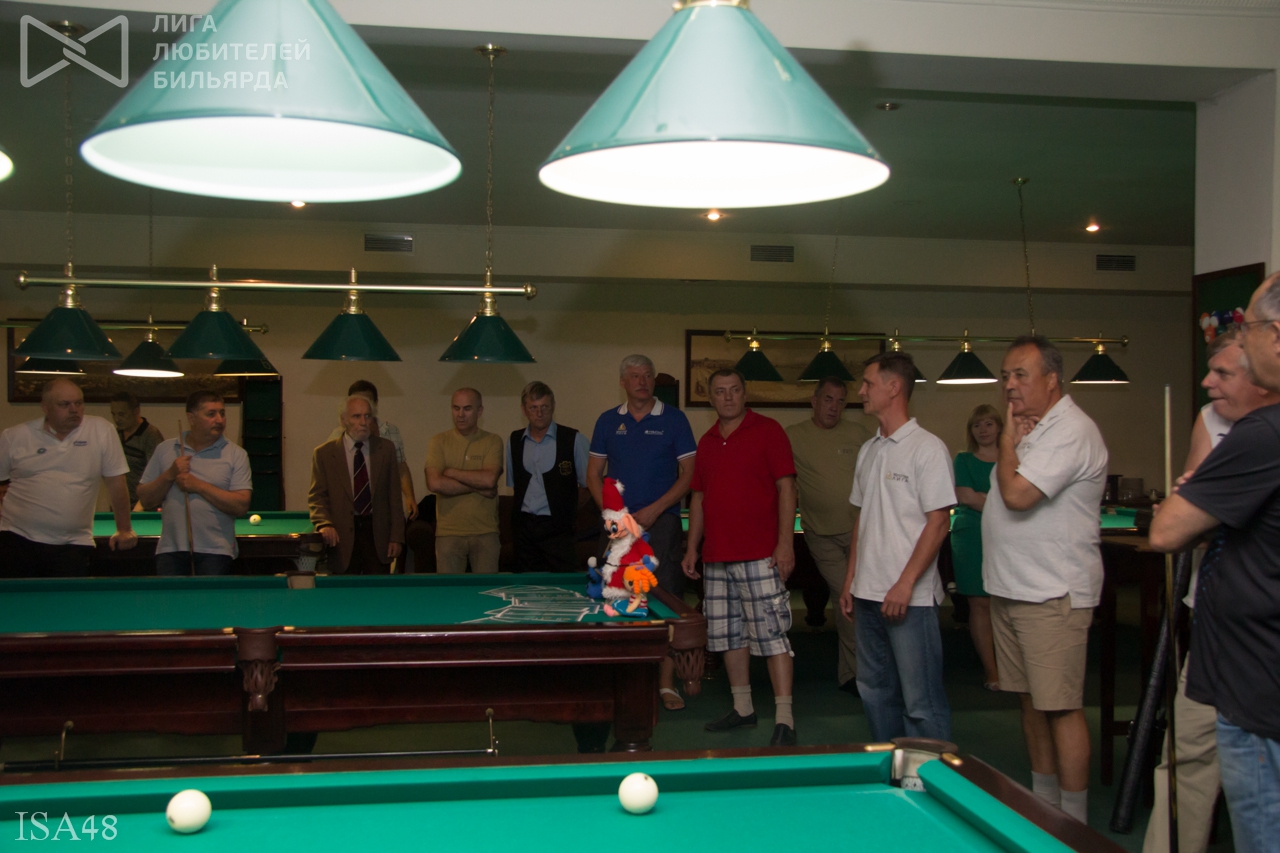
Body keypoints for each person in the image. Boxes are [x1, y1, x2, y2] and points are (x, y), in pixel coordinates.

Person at [1149, 272, 1280, 853]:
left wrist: (1201, 503)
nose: (1208, 382)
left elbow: (1167, 530)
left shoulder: (1263, 433)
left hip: (1256, 680)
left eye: (1251, 328)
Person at [982, 336, 1108, 825]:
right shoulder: (1032, 428)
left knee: (1061, 708)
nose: (1009, 385)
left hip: (1052, 592)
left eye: (1021, 375)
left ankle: (1074, 825)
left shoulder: (1071, 429)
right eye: (1005, 375)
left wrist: (1007, 442)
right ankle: (1043, 808)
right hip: (1012, 587)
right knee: (1030, 704)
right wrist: (1015, 439)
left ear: (1052, 381)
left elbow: (1016, 496)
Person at [838, 352, 954, 743]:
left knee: (921, 702)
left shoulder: (927, 448)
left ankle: (931, 775)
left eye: (868, 383)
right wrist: (851, 580)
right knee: (874, 693)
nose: (860, 391)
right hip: (867, 594)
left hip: (910, 600)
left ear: (894, 387)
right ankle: (892, 768)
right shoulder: (869, 449)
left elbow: (939, 522)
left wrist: (904, 584)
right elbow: (863, 519)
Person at [681, 368, 799, 746]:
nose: (728, 397)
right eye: (720, 391)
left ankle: (785, 718)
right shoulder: (707, 441)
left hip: (760, 554)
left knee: (772, 635)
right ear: (711, 398)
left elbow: (787, 488)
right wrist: (692, 547)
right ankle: (743, 708)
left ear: (744, 393)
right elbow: (698, 497)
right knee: (730, 635)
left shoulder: (769, 431)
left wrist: (785, 544)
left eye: (734, 390)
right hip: (717, 556)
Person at [589, 354, 697, 711]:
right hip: (618, 528)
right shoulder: (608, 421)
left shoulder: (674, 419)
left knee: (663, 598)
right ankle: (620, 680)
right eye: (634, 376)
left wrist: (654, 510)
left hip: (661, 523)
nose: (642, 381)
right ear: (623, 382)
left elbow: (689, 475)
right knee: (615, 597)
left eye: (647, 375)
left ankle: (665, 684)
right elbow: (593, 474)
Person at [0, 377, 137, 577]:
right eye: (64, 404)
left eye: (79, 403)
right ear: (45, 407)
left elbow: (116, 482)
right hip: (17, 539)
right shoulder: (15, 436)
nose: (74, 410)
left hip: (74, 543)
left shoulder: (101, 430)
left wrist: (124, 529)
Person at [785, 375, 871, 692]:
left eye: (840, 401)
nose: (834, 407)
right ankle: (856, 675)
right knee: (848, 597)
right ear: (815, 401)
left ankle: (857, 672)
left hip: (861, 534)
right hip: (821, 536)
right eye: (828, 399)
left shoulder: (859, 434)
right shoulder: (793, 436)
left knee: (860, 599)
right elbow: (777, 481)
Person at [137, 391, 253, 575]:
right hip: (170, 550)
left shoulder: (236, 454)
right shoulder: (165, 449)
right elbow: (145, 499)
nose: (219, 419)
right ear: (191, 418)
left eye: (222, 413)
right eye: (211, 414)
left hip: (216, 551)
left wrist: (198, 485)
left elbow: (241, 506)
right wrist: (170, 474)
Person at [309, 395, 404, 574]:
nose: (363, 422)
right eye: (356, 416)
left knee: (377, 589)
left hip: (377, 535)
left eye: (367, 416)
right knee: (344, 589)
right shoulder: (324, 454)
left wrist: (397, 537)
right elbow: (317, 497)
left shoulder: (386, 449)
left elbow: (395, 497)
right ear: (343, 420)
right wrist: (324, 524)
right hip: (341, 538)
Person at [505, 381, 590, 572]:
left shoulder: (574, 439)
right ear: (524, 410)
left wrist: (566, 513)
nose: (539, 413)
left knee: (563, 583)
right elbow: (515, 487)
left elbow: (587, 486)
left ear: (553, 407)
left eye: (544, 407)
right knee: (525, 585)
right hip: (524, 530)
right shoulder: (514, 441)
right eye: (533, 407)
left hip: (559, 530)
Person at [952, 403, 1003, 691]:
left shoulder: (1013, 459)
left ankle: (1010, 667)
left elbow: (1020, 497)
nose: (983, 430)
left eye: (988, 424)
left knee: (1003, 602)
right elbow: (967, 497)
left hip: (1006, 538)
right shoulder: (963, 460)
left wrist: (986, 498)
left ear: (999, 427)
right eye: (977, 425)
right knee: (980, 603)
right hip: (971, 536)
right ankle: (991, 671)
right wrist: (1001, 502)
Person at [425, 388, 503, 573]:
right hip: (448, 534)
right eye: (456, 408)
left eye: (467, 408)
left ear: (479, 411)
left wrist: (451, 472)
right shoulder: (438, 441)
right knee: (449, 590)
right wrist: (477, 487)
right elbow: (434, 483)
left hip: (486, 533)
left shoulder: (492, 441)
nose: (460, 414)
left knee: (487, 590)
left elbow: (489, 479)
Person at [328, 380, 418, 523]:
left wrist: (409, 497)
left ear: (375, 403)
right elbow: (329, 476)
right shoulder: (338, 435)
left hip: (384, 510)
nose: (361, 404)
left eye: (367, 400)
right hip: (349, 513)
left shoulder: (390, 432)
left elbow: (401, 467)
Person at [109, 391, 164, 507]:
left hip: (143, 507)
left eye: (121, 414)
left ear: (136, 411)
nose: (117, 419)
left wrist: (140, 506)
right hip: (119, 503)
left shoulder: (151, 436)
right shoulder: (115, 434)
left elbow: (156, 476)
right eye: (113, 414)